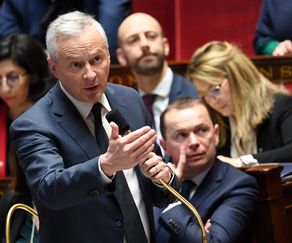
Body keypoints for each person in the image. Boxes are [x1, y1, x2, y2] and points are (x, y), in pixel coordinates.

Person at [9, 11, 178, 243]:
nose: (90, 75)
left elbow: (157, 185)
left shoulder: (130, 99)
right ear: (54, 67)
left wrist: (164, 178)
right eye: (76, 65)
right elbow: (50, 190)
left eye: (97, 60)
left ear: (109, 55)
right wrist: (105, 166)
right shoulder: (32, 125)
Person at [187, 41, 292, 242]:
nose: (211, 100)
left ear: (238, 77)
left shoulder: (281, 106)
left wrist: (241, 162)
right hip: (253, 226)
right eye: (203, 95)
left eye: (215, 89)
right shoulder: (218, 121)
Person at [155, 98, 259, 242]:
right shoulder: (154, 182)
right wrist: (196, 231)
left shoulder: (238, 186)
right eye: (182, 135)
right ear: (164, 146)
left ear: (216, 134)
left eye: (202, 130)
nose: (194, 142)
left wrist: (171, 199)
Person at [0, 33, 55, 243]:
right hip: (10, 208)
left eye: (12, 77)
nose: (4, 88)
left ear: (32, 75)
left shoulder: (51, 117)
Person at [116, 12, 198, 136]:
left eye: (151, 36)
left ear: (166, 46)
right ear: (121, 57)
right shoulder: (121, 106)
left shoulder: (197, 94)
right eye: (133, 40)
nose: (144, 45)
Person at [0, 0, 131, 63]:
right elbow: (12, 46)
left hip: (94, 60)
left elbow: (110, 42)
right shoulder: (16, 3)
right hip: (41, 74)